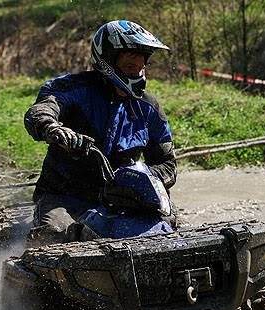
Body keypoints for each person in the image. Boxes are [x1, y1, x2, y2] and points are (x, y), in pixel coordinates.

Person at [24, 20, 176, 243]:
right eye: (130, 67)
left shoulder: (149, 108)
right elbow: (41, 110)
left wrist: (138, 180)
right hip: (63, 198)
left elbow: (168, 165)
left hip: (120, 201)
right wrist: (53, 129)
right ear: (108, 61)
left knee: (168, 225)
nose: (139, 74)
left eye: (141, 67)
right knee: (54, 237)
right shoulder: (73, 89)